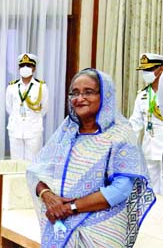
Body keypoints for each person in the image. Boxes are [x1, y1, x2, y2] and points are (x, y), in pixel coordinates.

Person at [26, 68, 155, 247]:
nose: (80, 99)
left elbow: (121, 189)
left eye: (88, 92)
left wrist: (70, 208)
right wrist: (47, 195)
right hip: (60, 223)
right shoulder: (66, 130)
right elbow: (35, 172)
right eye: (75, 93)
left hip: (103, 228)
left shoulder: (120, 134)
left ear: (105, 96)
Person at [129, 53, 163, 194]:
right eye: (144, 70)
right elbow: (135, 124)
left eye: (149, 70)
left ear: (160, 69)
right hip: (149, 149)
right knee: (150, 191)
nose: (145, 74)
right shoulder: (142, 95)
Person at [5, 53, 48, 161]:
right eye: (22, 66)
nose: (25, 68)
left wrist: (32, 118)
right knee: (15, 161)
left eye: (28, 66)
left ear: (34, 68)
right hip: (15, 128)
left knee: (33, 160)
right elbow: (9, 107)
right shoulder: (12, 86)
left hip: (33, 129)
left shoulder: (41, 86)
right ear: (19, 68)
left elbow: (44, 108)